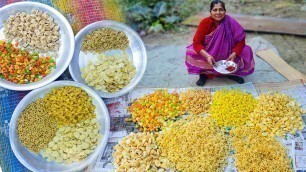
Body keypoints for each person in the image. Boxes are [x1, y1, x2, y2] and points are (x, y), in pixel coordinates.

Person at [185, 0, 255, 86]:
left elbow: (241, 40)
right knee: (191, 52)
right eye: (215, 10)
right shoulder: (205, 23)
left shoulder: (231, 22)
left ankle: (231, 73)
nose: (218, 13)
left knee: (246, 50)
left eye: (221, 9)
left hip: (228, 53)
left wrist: (234, 54)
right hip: (210, 52)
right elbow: (197, 43)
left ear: (225, 11)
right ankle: (203, 74)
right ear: (210, 12)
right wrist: (207, 56)